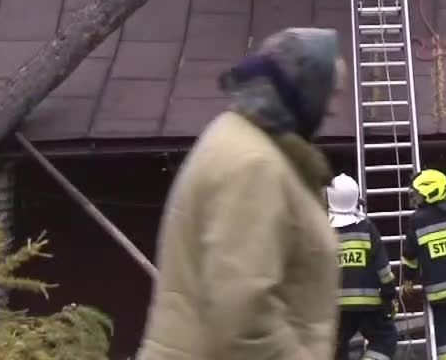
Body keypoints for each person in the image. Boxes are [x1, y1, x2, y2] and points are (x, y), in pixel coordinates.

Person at [137, 28, 345, 360]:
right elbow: (245, 319)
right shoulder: (254, 165)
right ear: (300, 91)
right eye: (329, 95)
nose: (332, 110)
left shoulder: (241, 141)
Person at [401, 169, 446, 360]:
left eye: (417, 194)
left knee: (445, 345)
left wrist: (408, 278)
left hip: (441, 292)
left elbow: (410, 254)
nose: (415, 198)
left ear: (430, 193)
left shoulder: (417, 220)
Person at [328, 173, 400, 360]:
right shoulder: (367, 229)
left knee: (336, 346)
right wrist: (389, 296)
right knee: (386, 337)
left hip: (335, 307)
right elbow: (384, 270)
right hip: (368, 305)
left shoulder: (323, 231)